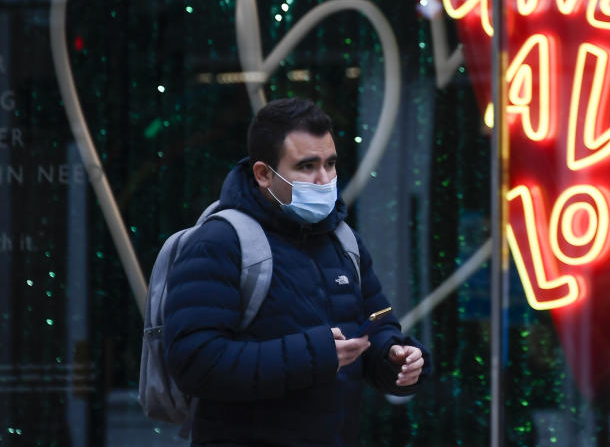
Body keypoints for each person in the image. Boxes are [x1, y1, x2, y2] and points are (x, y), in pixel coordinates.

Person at [163, 97, 430, 446]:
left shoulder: (342, 239)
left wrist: (396, 359)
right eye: (307, 167)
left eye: (331, 164)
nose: (323, 180)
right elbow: (195, 363)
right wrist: (316, 354)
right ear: (263, 174)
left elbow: (375, 326)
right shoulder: (220, 242)